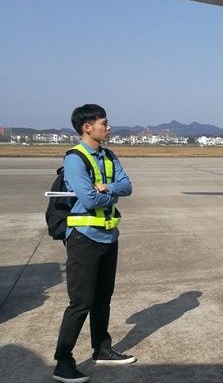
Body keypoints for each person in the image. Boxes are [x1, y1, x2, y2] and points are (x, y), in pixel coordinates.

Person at [53, 104, 135, 383]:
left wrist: (109, 188)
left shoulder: (108, 156)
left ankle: (101, 349)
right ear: (87, 127)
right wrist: (110, 196)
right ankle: (63, 362)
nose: (108, 127)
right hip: (83, 239)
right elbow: (88, 199)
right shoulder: (75, 159)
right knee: (81, 302)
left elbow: (127, 186)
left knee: (102, 299)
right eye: (104, 123)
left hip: (109, 237)